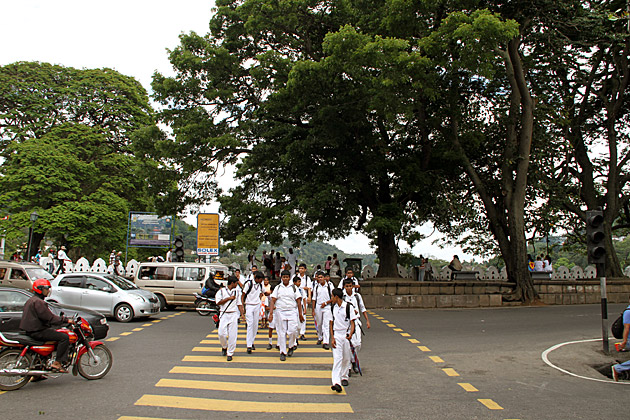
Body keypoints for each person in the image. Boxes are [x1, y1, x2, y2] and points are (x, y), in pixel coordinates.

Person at [20, 279, 74, 372]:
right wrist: (66, 320)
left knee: (53, 334)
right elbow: (50, 318)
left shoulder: (32, 300)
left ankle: (39, 368)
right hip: (37, 331)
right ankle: (57, 363)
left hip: (32, 329)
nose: (48, 291)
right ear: (39, 289)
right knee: (64, 337)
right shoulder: (39, 302)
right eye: (46, 288)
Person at [268, 270, 304, 361]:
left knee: (292, 331)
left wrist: (300, 314)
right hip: (280, 311)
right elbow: (273, 300)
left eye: (287, 277)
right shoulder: (278, 288)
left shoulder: (294, 288)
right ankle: (283, 352)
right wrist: (271, 314)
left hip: (292, 311)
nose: (285, 279)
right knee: (281, 332)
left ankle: (291, 346)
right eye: (284, 277)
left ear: (289, 278)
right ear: (281, 277)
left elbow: (299, 301)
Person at [329, 288, 357, 393]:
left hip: (346, 335)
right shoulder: (333, 308)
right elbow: (331, 323)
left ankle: (344, 376)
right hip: (337, 335)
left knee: (346, 358)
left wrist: (350, 333)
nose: (331, 299)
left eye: (332, 296)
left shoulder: (348, 307)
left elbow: (352, 322)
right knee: (337, 359)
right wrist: (332, 337)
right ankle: (336, 382)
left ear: (336, 297)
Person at [343, 278, 371, 374]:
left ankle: (354, 360)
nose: (349, 288)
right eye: (347, 286)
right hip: (347, 323)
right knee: (348, 344)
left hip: (356, 322)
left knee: (357, 343)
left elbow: (362, 308)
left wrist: (367, 320)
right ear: (344, 287)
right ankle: (349, 366)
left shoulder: (357, 296)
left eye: (350, 286)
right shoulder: (343, 297)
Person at [215, 276, 244, 361]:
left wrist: (242, 314)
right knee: (221, 333)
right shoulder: (221, 291)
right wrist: (228, 298)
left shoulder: (237, 292)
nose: (237, 285)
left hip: (233, 314)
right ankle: (224, 346)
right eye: (236, 283)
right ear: (232, 283)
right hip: (224, 313)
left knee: (232, 335)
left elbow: (239, 303)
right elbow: (218, 302)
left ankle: (230, 353)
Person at [242, 271, 265, 354]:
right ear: (256, 278)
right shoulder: (249, 284)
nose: (261, 281)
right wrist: (242, 306)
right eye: (261, 279)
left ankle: (252, 342)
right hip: (249, 305)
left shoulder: (260, 285)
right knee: (250, 325)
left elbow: (264, 292)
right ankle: (248, 345)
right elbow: (243, 294)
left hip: (257, 305)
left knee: (255, 325)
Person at [312, 271, 334, 349]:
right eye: (319, 277)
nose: (320, 279)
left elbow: (333, 297)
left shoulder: (329, 286)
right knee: (319, 323)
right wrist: (313, 309)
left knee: (326, 324)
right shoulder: (316, 287)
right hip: (318, 306)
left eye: (321, 277)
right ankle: (320, 337)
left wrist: (326, 302)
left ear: (324, 278)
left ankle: (326, 341)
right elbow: (314, 298)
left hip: (327, 306)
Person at [612, 300, 630, 381]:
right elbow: (626, 328)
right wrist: (624, 342)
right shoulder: (628, 312)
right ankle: (618, 368)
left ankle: (618, 368)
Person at [295, 263, 313, 340]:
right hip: (295, 298)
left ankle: (302, 333)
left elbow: (309, 288)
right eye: (300, 268)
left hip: (303, 297)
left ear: (305, 270)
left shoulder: (306, 278)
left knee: (303, 315)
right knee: (295, 316)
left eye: (302, 268)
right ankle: (296, 333)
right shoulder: (295, 277)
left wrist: (309, 297)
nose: (300, 270)